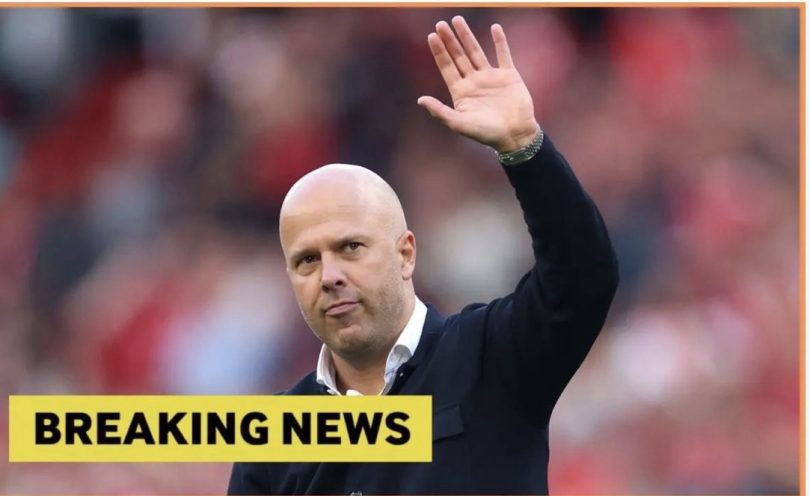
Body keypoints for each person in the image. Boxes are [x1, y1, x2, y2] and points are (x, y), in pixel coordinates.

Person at [228, 15, 618, 495]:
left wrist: (524, 149)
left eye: (351, 248)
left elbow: (583, 278)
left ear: (406, 254)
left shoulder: (490, 358)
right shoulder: (273, 442)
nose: (329, 275)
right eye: (307, 260)